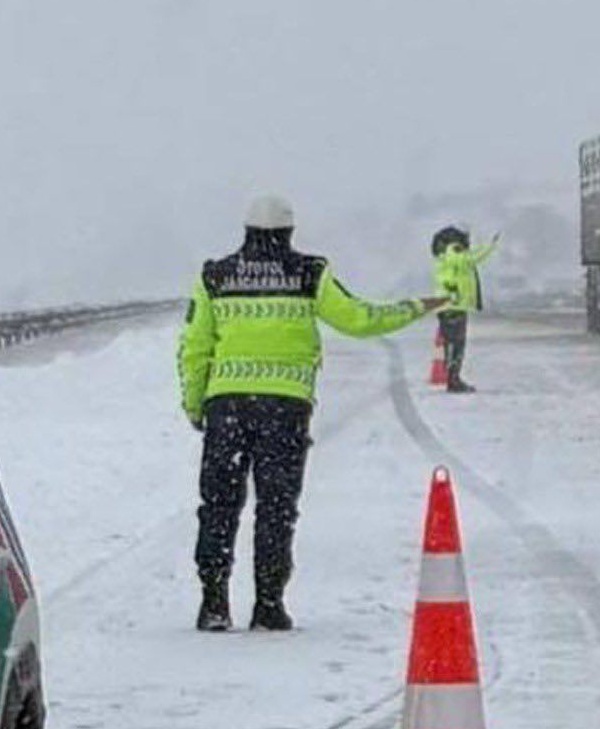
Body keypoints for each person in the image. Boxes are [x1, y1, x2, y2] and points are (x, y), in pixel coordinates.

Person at [178, 196, 448, 632]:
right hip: (284, 409)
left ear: (246, 231)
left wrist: (194, 404)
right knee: (277, 507)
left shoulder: (215, 275)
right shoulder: (309, 273)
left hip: (226, 406)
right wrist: (416, 307)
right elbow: (360, 319)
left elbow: (194, 347)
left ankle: (213, 601)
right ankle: (269, 604)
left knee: (219, 505)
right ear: (289, 233)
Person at [430, 225, 500, 393]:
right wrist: (490, 246)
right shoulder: (453, 251)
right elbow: (470, 260)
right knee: (456, 343)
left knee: (450, 342)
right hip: (454, 305)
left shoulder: (443, 256)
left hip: (447, 305)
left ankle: (452, 378)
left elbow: (466, 260)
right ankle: (453, 380)